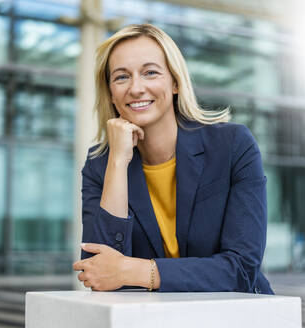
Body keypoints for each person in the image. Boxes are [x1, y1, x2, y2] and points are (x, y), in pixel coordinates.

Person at [72, 23, 274, 294]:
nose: (136, 88)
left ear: (176, 81)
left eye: (150, 72)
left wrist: (139, 271)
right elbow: (100, 272)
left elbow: (241, 269)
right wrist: (118, 162)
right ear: (110, 91)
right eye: (121, 77)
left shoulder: (232, 146)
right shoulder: (100, 166)